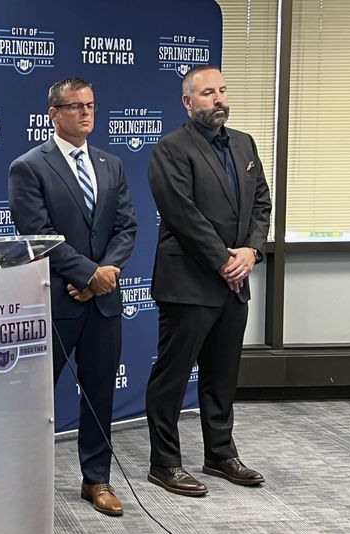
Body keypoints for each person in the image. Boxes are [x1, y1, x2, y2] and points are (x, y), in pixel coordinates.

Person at [8, 77, 137, 516]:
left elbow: (126, 228)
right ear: (54, 114)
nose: (86, 113)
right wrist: (86, 274)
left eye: (91, 105)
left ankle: (96, 479)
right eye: (75, 106)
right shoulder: (29, 166)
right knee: (37, 398)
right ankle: (24, 483)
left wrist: (104, 275)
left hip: (102, 304)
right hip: (55, 302)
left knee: (99, 393)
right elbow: (37, 234)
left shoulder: (111, 163)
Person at [145, 65, 271, 496]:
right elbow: (182, 216)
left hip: (234, 281)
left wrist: (251, 251)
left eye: (222, 90)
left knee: (222, 375)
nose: (218, 99)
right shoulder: (170, 149)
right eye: (206, 93)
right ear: (188, 102)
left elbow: (262, 203)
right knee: (172, 376)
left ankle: (220, 454)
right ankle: (164, 463)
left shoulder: (244, 143)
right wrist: (224, 260)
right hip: (188, 284)